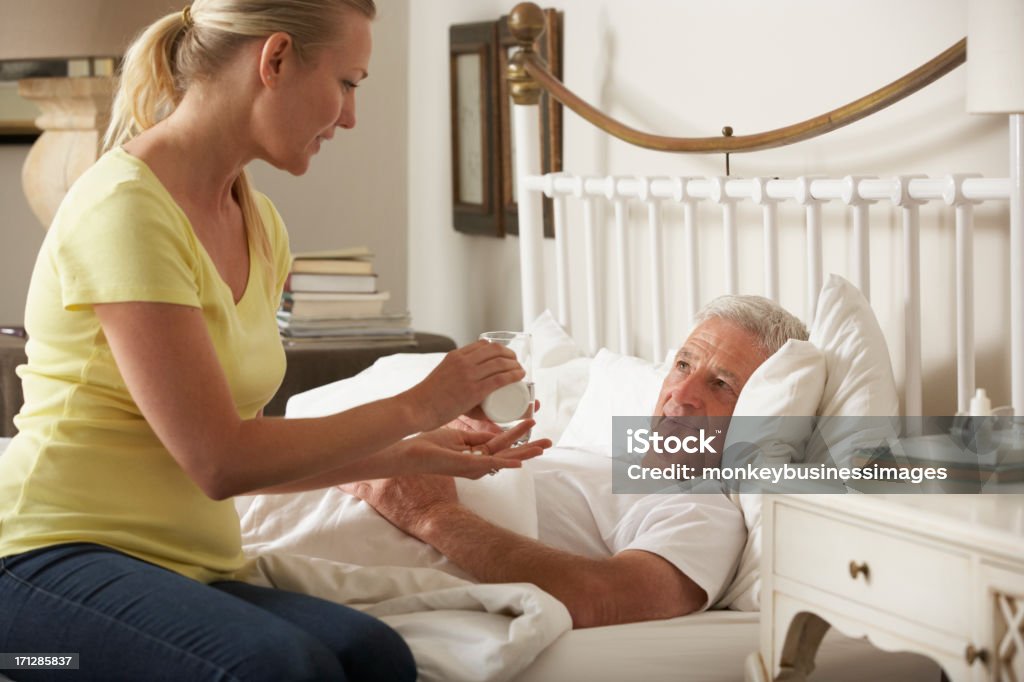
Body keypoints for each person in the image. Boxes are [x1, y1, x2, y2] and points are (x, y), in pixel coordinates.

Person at [0, 2, 548, 680]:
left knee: (376, 657)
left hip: (185, 567)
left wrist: (410, 453)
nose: (350, 116)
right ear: (276, 59)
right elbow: (218, 461)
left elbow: (252, 448)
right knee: (276, 668)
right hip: (46, 560)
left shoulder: (257, 221)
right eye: (348, 83)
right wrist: (420, 403)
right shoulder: (126, 209)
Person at [342, 295, 809, 629]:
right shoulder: (587, 453)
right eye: (683, 366)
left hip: (354, 556)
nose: (681, 397)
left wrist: (431, 514)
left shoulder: (703, 511)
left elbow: (599, 598)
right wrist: (436, 445)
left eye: (721, 384)